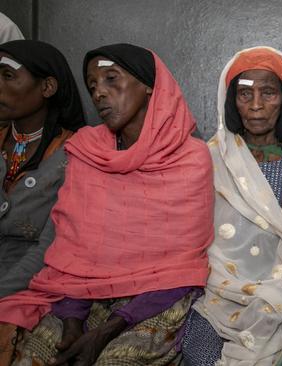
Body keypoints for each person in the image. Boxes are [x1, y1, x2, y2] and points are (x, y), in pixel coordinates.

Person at [0, 43, 214, 366]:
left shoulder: (190, 158)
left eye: (112, 79)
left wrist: (104, 332)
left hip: (156, 299)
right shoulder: (86, 150)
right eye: (93, 85)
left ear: (148, 86)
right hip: (81, 296)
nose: (99, 92)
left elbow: (181, 269)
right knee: (36, 357)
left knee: (117, 361)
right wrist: (72, 322)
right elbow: (73, 252)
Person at [184, 46, 282, 365]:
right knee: (197, 353)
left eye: (268, 93)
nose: (257, 105)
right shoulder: (212, 159)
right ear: (231, 100)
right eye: (245, 94)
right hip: (219, 289)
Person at [0, 40, 85, 297]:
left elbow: (49, 248)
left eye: (7, 75)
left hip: (30, 284)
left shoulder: (76, 153)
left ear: (47, 87)